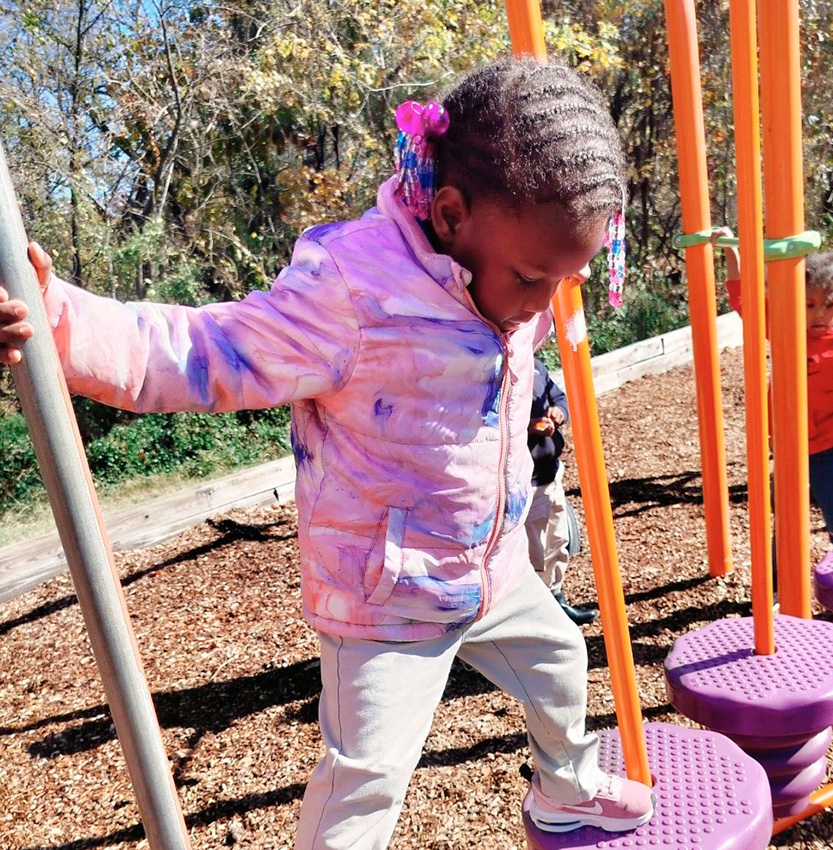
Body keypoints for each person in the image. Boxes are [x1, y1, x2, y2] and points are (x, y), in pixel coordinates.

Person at [0, 58, 655, 848]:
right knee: (366, 778)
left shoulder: (507, 282)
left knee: (559, 662)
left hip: (495, 570)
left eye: (564, 278)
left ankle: (567, 788)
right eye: (531, 278)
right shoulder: (352, 293)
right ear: (450, 215)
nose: (542, 303)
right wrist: (60, 320)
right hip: (386, 605)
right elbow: (204, 348)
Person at [714, 231, 833, 548]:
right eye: (809, 304)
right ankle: (780, 579)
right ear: (795, 300)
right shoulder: (785, 326)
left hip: (829, 451)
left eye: (829, 305)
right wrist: (731, 251)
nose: (819, 314)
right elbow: (742, 298)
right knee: (784, 522)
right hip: (785, 449)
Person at [526, 355, 597, 626]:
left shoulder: (536, 365)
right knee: (536, 548)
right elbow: (492, 421)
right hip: (528, 481)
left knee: (557, 538)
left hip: (550, 473)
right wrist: (529, 427)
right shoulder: (502, 369)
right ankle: (537, 612)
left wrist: (559, 411)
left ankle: (557, 599)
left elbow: (559, 396)